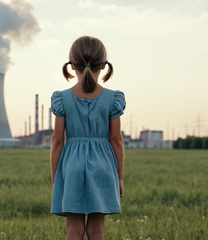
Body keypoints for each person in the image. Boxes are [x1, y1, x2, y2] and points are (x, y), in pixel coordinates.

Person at [50, 36, 125, 240]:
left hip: (71, 165)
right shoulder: (113, 99)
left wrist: (56, 175)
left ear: (72, 66)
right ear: (104, 65)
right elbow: (116, 140)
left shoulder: (62, 98)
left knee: (74, 231)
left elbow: (58, 140)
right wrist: (119, 176)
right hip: (104, 165)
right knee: (96, 231)